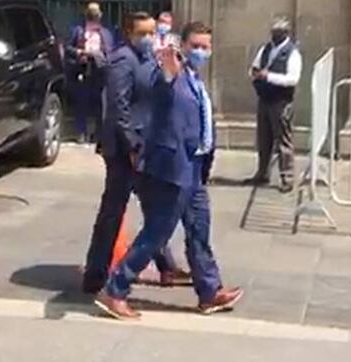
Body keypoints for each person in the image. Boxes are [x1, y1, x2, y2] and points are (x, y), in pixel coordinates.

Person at [95, 21, 243, 321]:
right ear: (183, 46)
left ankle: (209, 291)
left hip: (196, 168)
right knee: (157, 232)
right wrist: (167, 68)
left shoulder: (194, 79)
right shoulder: (169, 75)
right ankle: (115, 289)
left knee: (199, 230)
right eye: (195, 46)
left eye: (206, 46)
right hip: (173, 170)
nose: (201, 51)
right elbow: (160, 88)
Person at [82, 12, 189, 294]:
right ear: (129, 33)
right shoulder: (122, 61)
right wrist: (131, 147)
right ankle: (95, 274)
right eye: (143, 33)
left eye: (152, 32)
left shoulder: (147, 59)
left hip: (144, 146)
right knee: (113, 211)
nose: (149, 38)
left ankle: (166, 267)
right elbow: (119, 109)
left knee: (155, 208)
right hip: (123, 150)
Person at [247, 16, 303, 192]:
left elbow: (292, 79)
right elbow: (255, 67)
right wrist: (255, 74)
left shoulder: (292, 53)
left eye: (278, 33)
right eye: (273, 32)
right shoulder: (265, 49)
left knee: (283, 140)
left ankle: (287, 177)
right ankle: (262, 173)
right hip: (265, 99)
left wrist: (268, 77)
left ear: (285, 33)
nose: (274, 36)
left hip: (281, 101)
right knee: (264, 139)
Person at [66, 2, 115, 143]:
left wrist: (100, 55)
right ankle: (81, 132)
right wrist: (80, 52)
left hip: (100, 70)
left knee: (100, 103)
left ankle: (99, 133)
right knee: (82, 102)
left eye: (96, 13)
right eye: (91, 13)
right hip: (83, 68)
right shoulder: (78, 31)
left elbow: (111, 52)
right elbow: (68, 48)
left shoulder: (106, 33)